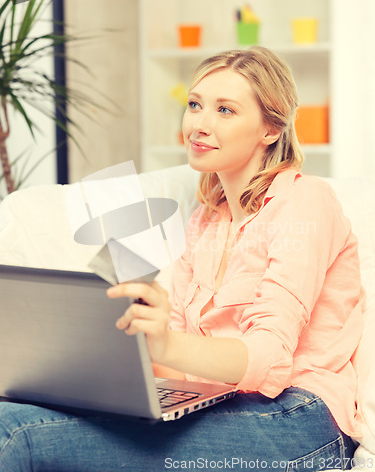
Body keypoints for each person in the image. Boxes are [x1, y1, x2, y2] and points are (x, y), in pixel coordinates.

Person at [0, 47, 363, 471]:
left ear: (270, 127)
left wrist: (166, 344)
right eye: (195, 105)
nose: (199, 124)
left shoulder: (306, 201)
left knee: (18, 435)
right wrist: (98, 361)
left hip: (300, 420)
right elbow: (177, 346)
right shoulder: (207, 220)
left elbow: (269, 357)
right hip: (220, 405)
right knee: (15, 413)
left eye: (225, 110)